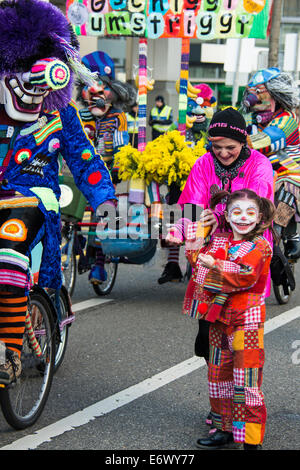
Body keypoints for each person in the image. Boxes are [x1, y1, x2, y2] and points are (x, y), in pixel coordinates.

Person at [0, 0, 116, 384]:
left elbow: (85, 161)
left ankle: (9, 354)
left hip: (34, 203)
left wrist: (106, 201)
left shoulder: (61, 113)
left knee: (9, 253)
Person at [164, 107, 274, 428]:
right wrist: (181, 228)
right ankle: (220, 416)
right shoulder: (203, 164)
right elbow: (190, 206)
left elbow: (252, 208)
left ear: (244, 142)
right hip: (213, 255)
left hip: (246, 256)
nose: (223, 153)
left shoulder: (259, 164)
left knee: (242, 354)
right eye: (217, 146)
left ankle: (246, 423)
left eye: (231, 146)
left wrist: (219, 213)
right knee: (215, 354)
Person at [185, 189, 274, 450]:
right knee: (217, 377)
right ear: (227, 214)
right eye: (236, 212)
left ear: (259, 218)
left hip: (246, 320)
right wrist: (201, 228)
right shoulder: (219, 240)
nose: (243, 218)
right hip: (218, 319)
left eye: (250, 213)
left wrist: (215, 266)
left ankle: (249, 439)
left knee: (245, 380)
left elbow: (246, 274)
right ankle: (223, 428)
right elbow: (194, 259)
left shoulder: (261, 246)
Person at [76, 51, 136, 285]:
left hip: (106, 174)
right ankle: (75, 243)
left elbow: (121, 149)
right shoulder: (77, 115)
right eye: (89, 86)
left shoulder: (118, 117)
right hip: (77, 174)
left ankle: (99, 263)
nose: (96, 93)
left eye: (102, 87)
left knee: (103, 217)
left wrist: (117, 168)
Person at [242, 67, 300, 259]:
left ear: (274, 94)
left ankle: (292, 235)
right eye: (251, 92)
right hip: (260, 173)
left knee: (288, 191)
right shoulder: (253, 123)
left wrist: (234, 139)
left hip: (287, 173)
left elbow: (264, 143)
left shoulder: (287, 121)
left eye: (259, 91)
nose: (253, 97)